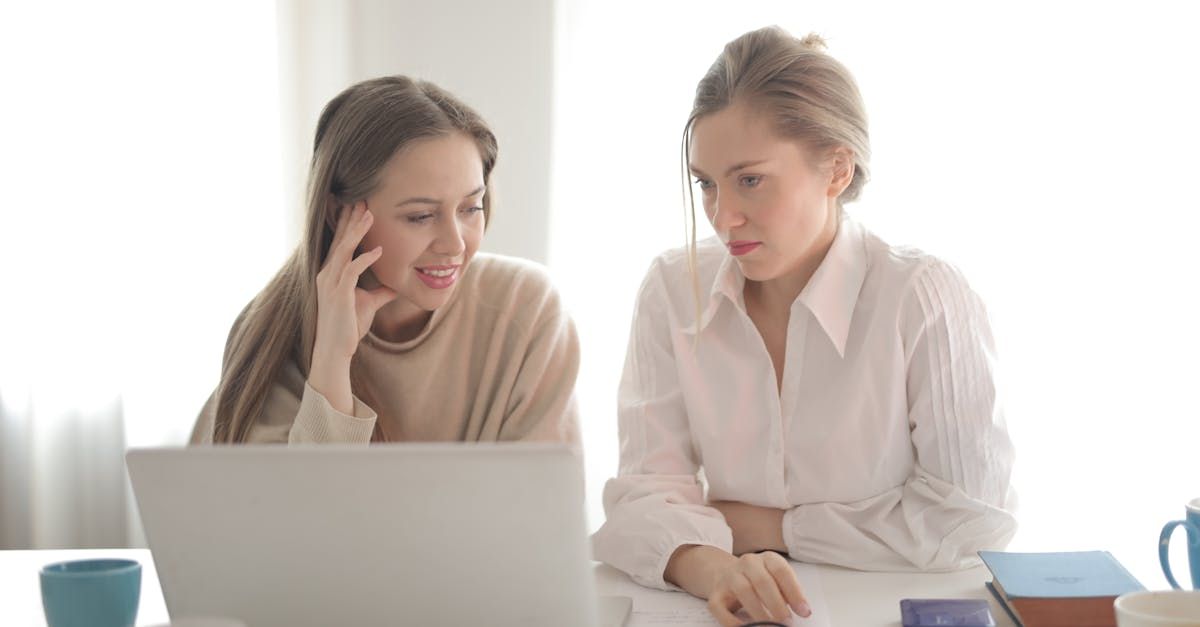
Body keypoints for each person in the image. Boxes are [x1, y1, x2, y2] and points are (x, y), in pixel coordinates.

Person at [593, 26, 1016, 627]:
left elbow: (971, 519)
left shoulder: (921, 296)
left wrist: (770, 527)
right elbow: (640, 498)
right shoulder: (671, 287)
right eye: (706, 183)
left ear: (837, 170)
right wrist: (717, 568)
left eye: (750, 179)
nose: (721, 215)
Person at [190, 76, 579, 446]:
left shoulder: (527, 310)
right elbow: (297, 511)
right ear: (338, 214)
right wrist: (331, 362)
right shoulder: (268, 334)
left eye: (471, 207)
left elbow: (543, 504)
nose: (454, 244)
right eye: (420, 216)